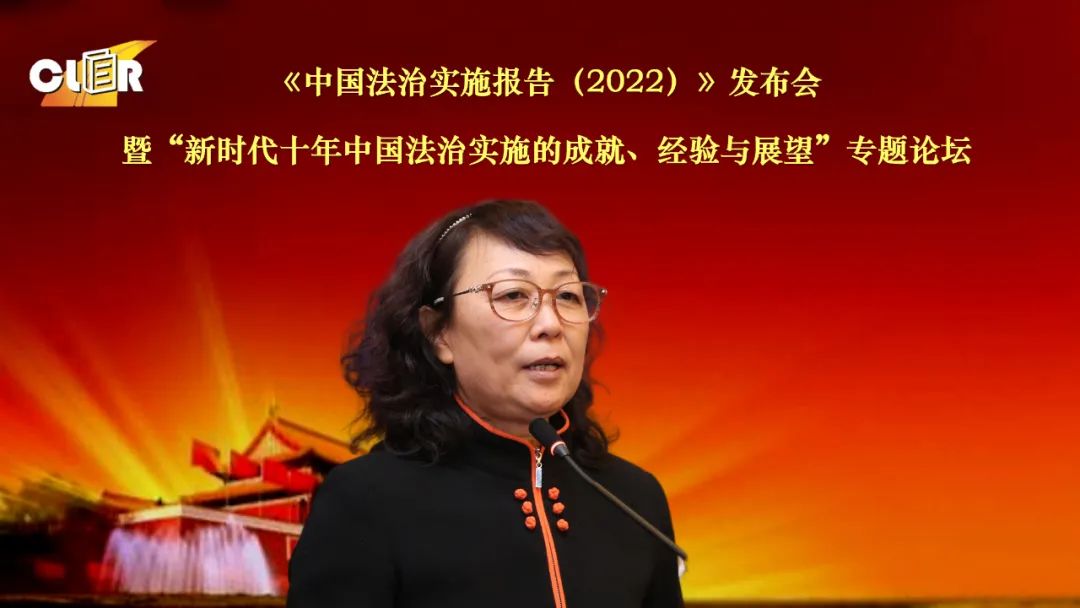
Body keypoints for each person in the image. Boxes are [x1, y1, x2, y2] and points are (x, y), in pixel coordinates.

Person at [286, 200, 684, 608]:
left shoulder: (635, 498)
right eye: (513, 295)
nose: (551, 324)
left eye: (567, 296)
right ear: (439, 333)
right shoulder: (365, 501)